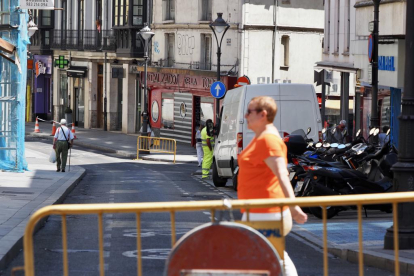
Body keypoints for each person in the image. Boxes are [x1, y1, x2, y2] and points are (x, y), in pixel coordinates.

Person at [238, 96, 307, 276]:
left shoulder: (268, 140)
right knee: (264, 260)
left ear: (263, 115)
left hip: (267, 212)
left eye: (249, 112)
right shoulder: (261, 138)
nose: (245, 116)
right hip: (258, 211)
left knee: (275, 259)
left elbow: (282, 176)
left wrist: (294, 207)